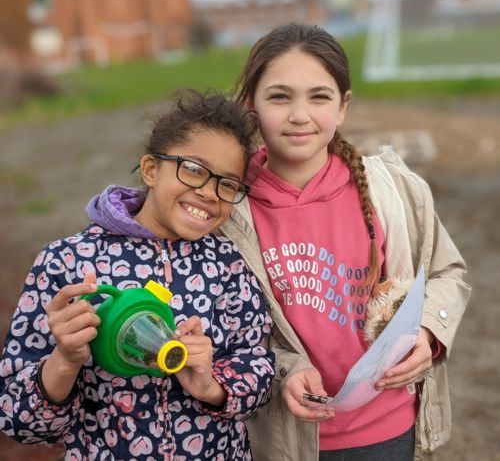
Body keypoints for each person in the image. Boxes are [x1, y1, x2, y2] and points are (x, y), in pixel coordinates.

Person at [219, 23, 471, 461]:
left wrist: (428, 330)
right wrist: (283, 370)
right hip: (281, 439)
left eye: (319, 96)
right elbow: (222, 326)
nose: (300, 115)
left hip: (388, 430)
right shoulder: (227, 210)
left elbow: (447, 272)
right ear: (251, 106)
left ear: (342, 107)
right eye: (280, 97)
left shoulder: (393, 190)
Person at [0, 89, 275, 460]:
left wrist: (211, 386)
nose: (210, 193)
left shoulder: (229, 264)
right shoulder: (66, 263)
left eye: (227, 184)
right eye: (193, 169)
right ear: (150, 169)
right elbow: (18, 419)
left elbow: (259, 369)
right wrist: (64, 360)